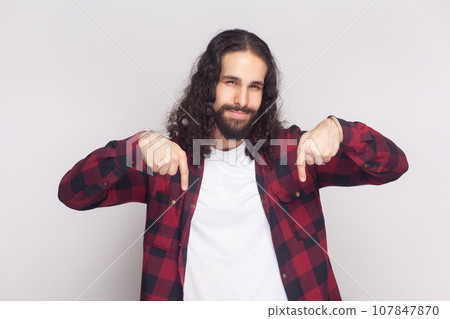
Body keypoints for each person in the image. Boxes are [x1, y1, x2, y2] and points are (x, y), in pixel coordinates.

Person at [58, 29, 408, 301]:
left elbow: (393, 166)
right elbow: (73, 193)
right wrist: (131, 149)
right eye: (231, 82)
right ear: (209, 85)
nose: (242, 99)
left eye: (254, 87)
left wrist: (341, 131)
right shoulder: (166, 163)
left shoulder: (292, 154)